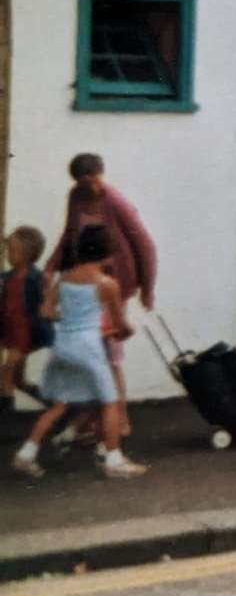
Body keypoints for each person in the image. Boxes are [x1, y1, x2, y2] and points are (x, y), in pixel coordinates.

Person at [12, 227, 146, 479]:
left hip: (63, 345)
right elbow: (119, 326)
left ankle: (26, 454)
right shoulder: (108, 284)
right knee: (110, 402)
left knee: (59, 405)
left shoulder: (64, 279)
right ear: (107, 254)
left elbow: (46, 312)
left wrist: (74, 323)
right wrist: (126, 331)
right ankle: (114, 460)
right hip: (88, 348)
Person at [44, 153, 157, 438]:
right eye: (86, 182)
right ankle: (95, 418)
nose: (93, 186)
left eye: (95, 179)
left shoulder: (114, 201)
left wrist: (148, 288)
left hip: (113, 282)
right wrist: (51, 265)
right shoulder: (76, 196)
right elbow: (69, 235)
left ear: (101, 174)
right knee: (93, 352)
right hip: (86, 281)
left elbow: (144, 244)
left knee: (109, 352)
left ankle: (120, 419)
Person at [0, 226, 46, 414]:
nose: (8, 255)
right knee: (18, 380)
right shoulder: (9, 276)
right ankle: (54, 404)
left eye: (12, 251)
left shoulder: (34, 279)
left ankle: (6, 418)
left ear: (26, 256)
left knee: (6, 374)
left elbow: (43, 305)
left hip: (25, 333)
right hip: (12, 331)